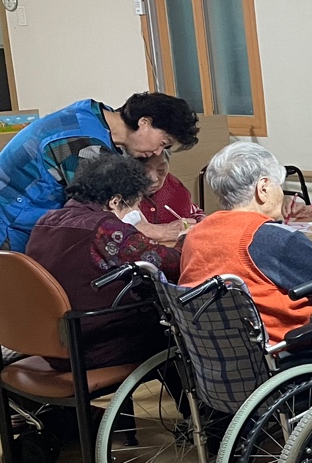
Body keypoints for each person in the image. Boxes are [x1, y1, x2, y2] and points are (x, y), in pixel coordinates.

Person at [180, 143, 312, 346]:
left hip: (218, 351)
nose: (280, 193)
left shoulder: (195, 234)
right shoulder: (271, 239)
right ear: (263, 188)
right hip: (287, 350)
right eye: (278, 185)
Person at [26, 154, 179, 370]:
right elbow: (171, 264)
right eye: (134, 205)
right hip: (96, 345)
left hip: (51, 342)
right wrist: (187, 241)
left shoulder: (46, 221)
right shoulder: (106, 228)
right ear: (115, 201)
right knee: (182, 333)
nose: (135, 213)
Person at [0, 92, 199, 253]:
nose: (157, 152)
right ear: (144, 122)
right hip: (11, 224)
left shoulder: (96, 117)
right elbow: (106, 215)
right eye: (163, 143)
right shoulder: (82, 143)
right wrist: (162, 232)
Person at [138, 149, 202, 242]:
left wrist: (201, 221)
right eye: (144, 172)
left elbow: (193, 211)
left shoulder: (174, 186)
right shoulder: (121, 196)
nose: (154, 179)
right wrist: (160, 231)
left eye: (161, 170)